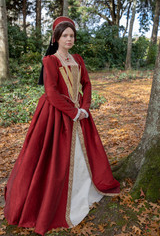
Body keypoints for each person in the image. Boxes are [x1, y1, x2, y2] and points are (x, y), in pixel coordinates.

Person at [4, 16, 120, 236]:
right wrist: (73, 112)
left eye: (72, 35)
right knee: (53, 157)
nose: (69, 39)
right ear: (56, 38)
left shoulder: (78, 59)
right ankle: (58, 199)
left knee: (85, 153)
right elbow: (51, 93)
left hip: (80, 114)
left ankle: (84, 189)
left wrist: (84, 107)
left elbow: (87, 84)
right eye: (65, 35)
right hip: (56, 116)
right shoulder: (50, 61)